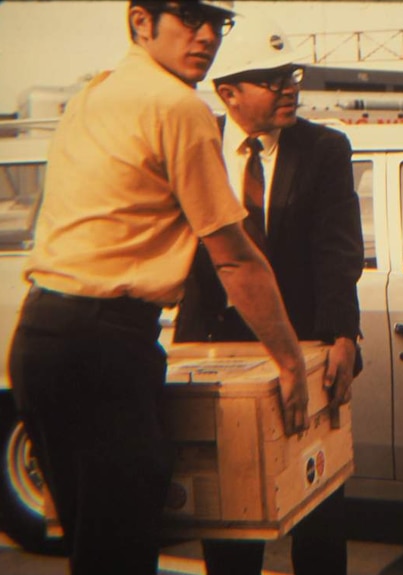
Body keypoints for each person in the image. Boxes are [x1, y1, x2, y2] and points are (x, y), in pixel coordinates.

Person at [8, 2, 311, 574]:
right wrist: (291, 364)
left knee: (92, 551)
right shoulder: (176, 106)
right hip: (104, 347)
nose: (205, 36)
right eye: (187, 18)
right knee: (119, 553)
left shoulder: (94, 96)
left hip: (41, 339)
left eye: (215, 23)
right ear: (141, 22)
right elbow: (235, 261)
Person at [173, 18, 364, 575]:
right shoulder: (196, 143)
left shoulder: (325, 148)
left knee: (319, 510)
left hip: (308, 352)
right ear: (226, 91)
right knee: (230, 520)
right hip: (216, 356)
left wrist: (341, 335)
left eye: (291, 74)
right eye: (270, 78)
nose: (289, 87)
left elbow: (339, 250)